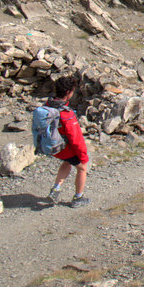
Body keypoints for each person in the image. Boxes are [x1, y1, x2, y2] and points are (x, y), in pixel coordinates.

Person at [46, 76, 90, 208]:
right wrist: (83, 156)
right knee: (82, 168)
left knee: (68, 161)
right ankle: (78, 198)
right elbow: (76, 139)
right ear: (68, 92)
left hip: (53, 146)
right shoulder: (67, 114)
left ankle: (56, 189)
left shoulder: (48, 105)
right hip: (65, 147)